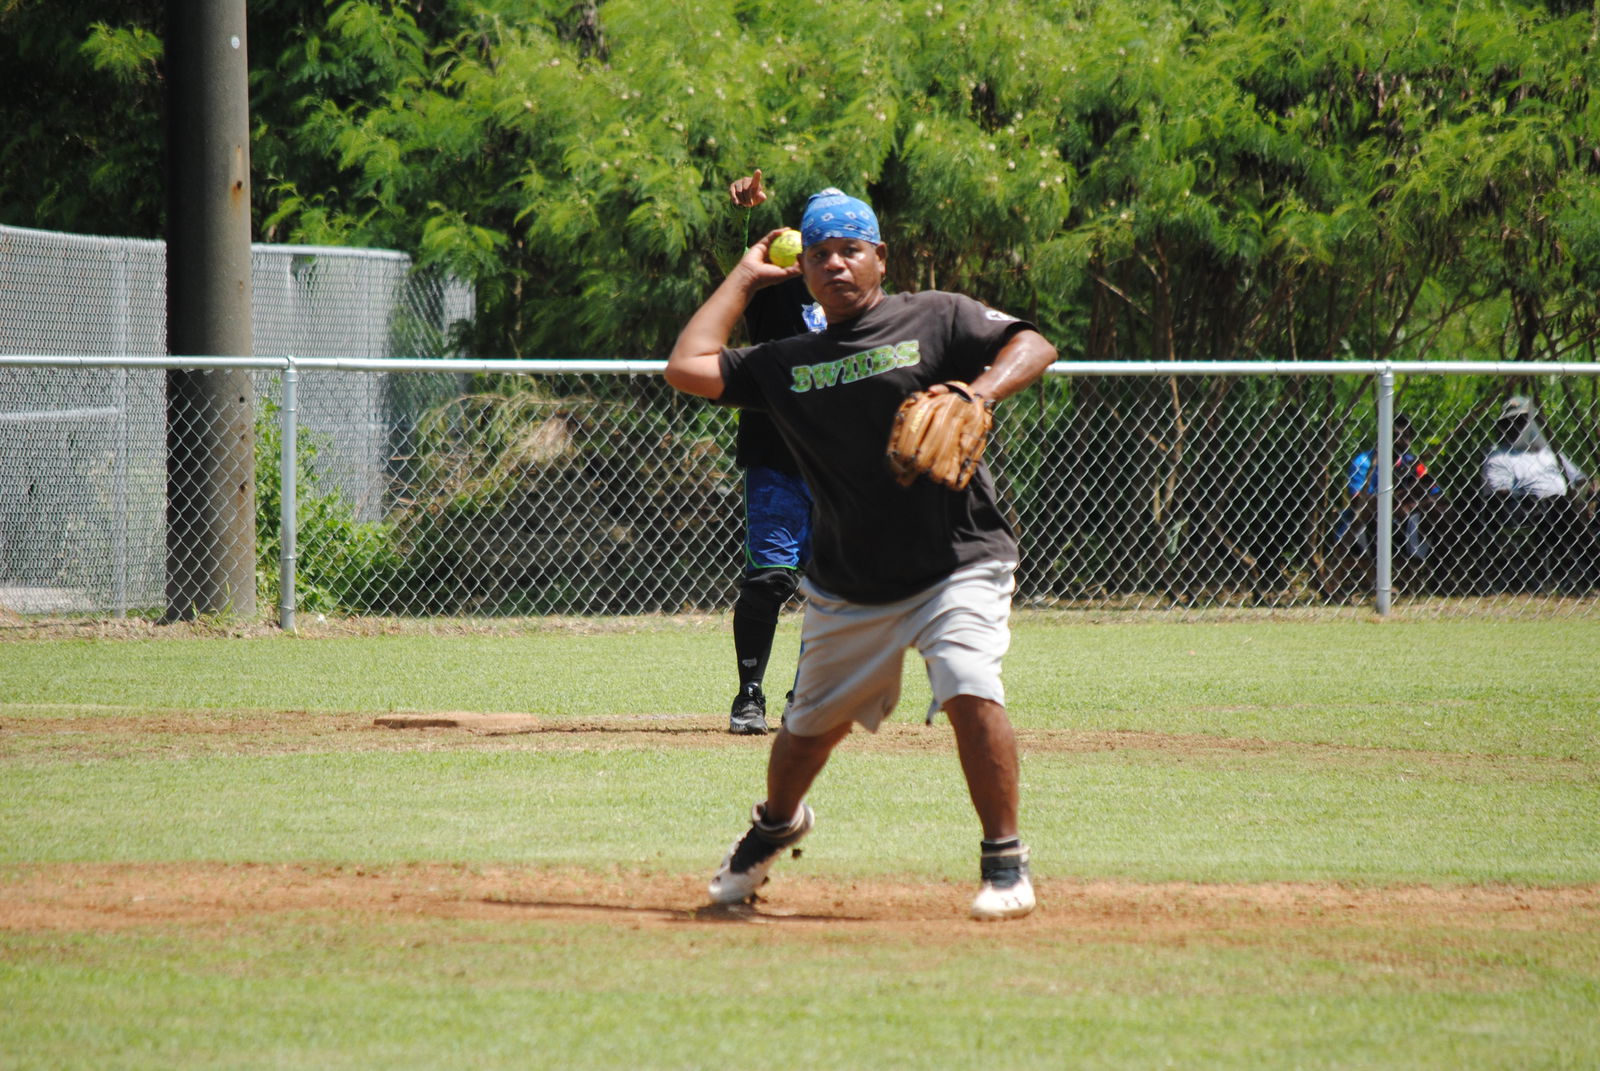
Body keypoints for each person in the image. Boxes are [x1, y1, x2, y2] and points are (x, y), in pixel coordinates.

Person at [665, 186, 1058, 921]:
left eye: (851, 250)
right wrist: (748, 275)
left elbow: (1033, 343)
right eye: (819, 254)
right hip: (851, 578)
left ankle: (1005, 861)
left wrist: (980, 393)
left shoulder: (934, 315)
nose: (835, 263)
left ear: (880, 258)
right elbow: (686, 365)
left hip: (958, 555)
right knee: (805, 735)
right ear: (802, 269)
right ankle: (778, 821)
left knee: (969, 679)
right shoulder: (786, 361)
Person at [723, 169, 826, 736]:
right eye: (820, 238)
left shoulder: (864, 300)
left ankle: (804, 696)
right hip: (775, 455)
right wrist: (737, 217)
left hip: (838, 462)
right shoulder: (776, 283)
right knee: (769, 579)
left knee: (833, 589)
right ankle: (749, 696)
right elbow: (726, 261)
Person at [1479, 395, 1599, 586]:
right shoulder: (1499, 457)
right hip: (1531, 516)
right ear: (1502, 427)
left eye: (1523, 421)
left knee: (1567, 505)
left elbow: (1580, 480)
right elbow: (1500, 497)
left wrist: (1588, 494)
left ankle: (1590, 566)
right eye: (1512, 422)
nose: (1518, 427)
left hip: (1570, 507)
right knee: (1559, 505)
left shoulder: (1548, 451)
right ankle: (1596, 567)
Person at [1335, 412, 1443, 562]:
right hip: (1365, 528)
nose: (1400, 441)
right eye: (1395, 436)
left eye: (1405, 436)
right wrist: (1396, 499)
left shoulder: (1412, 462)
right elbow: (1357, 502)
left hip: (1404, 522)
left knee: (1441, 509)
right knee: (1377, 511)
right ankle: (1378, 571)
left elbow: (1436, 493)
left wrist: (1411, 505)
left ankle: (1441, 572)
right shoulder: (1364, 462)